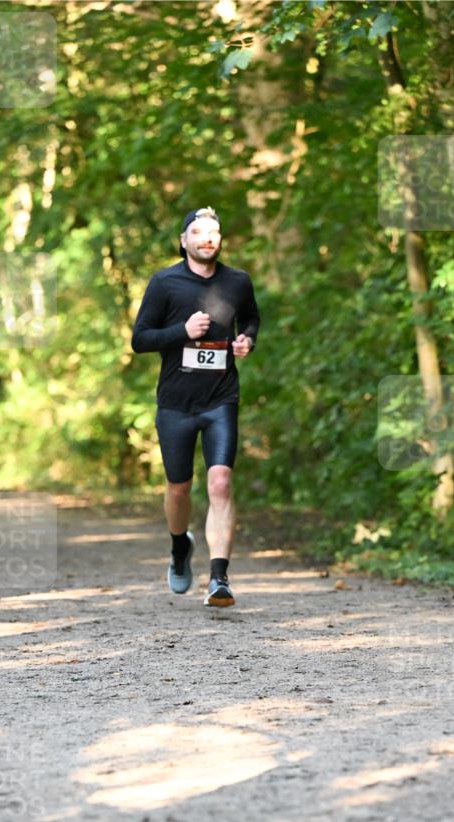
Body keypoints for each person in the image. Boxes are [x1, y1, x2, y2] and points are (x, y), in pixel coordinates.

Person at [132, 207, 260, 607]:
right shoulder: (165, 283)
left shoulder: (237, 281)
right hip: (175, 403)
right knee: (179, 488)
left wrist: (246, 340)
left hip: (221, 398)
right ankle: (178, 546)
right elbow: (140, 339)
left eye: (214, 232)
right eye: (198, 232)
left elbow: (251, 319)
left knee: (220, 481)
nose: (208, 238)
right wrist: (181, 332)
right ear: (184, 241)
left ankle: (219, 578)